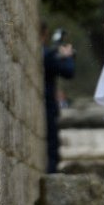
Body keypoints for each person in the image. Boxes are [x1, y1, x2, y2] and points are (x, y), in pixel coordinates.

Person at [42, 23, 75, 173]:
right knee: (51, 149)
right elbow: (68, 72)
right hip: (47, 108)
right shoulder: (47, 55)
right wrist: (67, 57)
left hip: (46, 107)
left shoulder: (46, 53)